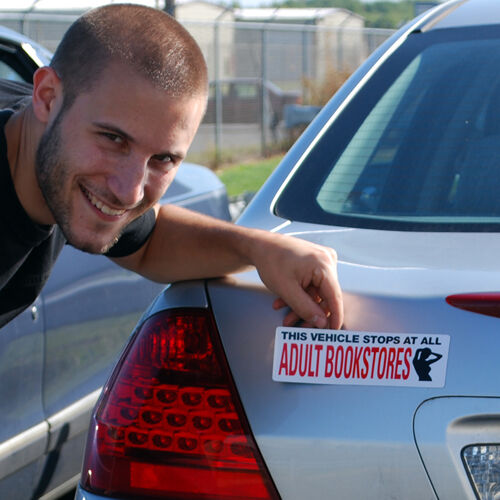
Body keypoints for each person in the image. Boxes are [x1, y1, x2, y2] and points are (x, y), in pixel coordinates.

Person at [0, 3, 343, 330]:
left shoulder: (49, 147)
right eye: (112, 139)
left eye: (162, 159)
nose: (129, 191)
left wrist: (259, 248)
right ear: (46, 97)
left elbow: (148, 242)